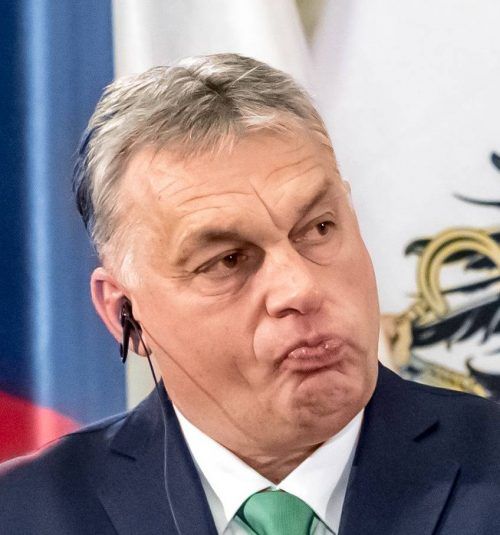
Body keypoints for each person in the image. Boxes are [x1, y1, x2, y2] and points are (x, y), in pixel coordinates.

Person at [0, 53, 499, 535]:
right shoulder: (22, 515)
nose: (301, 288)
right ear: (125, 315)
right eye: (228, 260)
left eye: (319, 228)